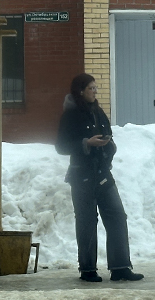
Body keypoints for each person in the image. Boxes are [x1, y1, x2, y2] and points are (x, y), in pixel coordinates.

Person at [55, 74, 143, 283]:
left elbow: (108, 133)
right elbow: (61, 146)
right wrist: (86, 143)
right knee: (86, 222)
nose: (95, 92)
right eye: (91, 88)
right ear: (81, 91)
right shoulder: (71, 115)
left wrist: (108, 145)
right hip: (81, 176)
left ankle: (120, 267)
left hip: (103, 174)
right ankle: (87, 270)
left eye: (96, 88)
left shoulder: (98, 111)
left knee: (117, 216)